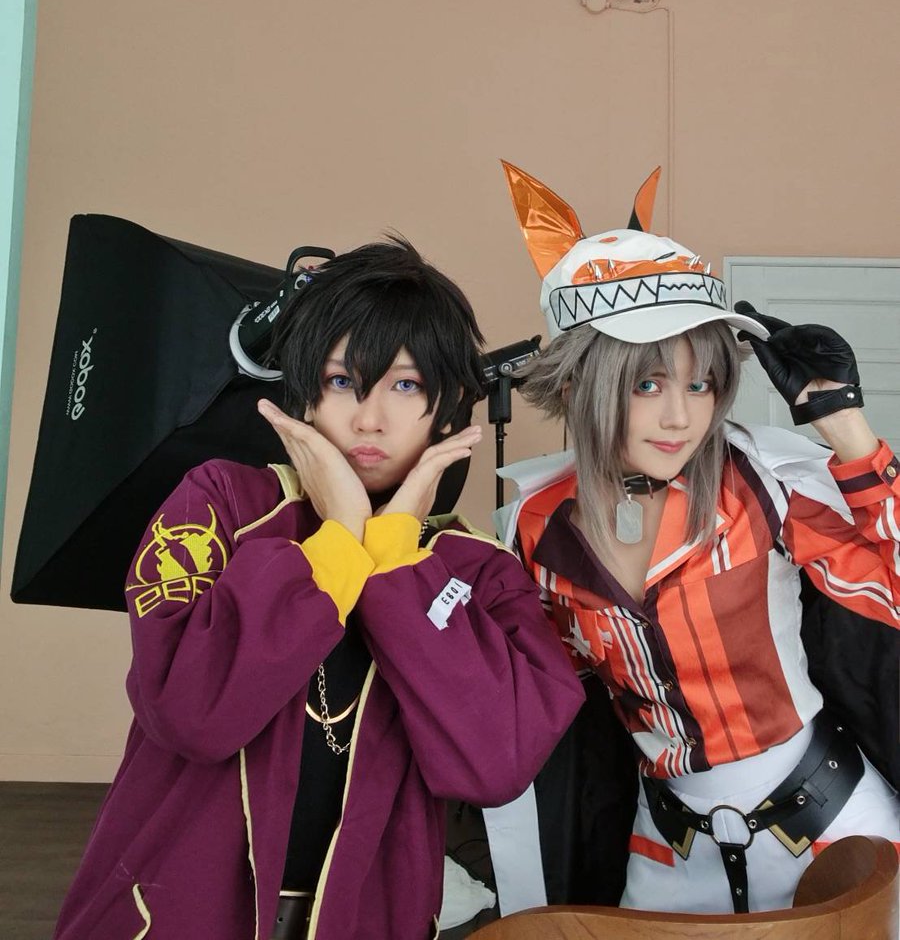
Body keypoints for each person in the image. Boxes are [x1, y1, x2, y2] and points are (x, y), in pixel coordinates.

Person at [53, 238, 584, 940]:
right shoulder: (219, 505)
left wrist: (393, 556)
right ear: (303, 392)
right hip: (172, 916)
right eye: (341, 381)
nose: (369, 419)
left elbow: (496, 764)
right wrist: (336, 541)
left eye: (405, 386)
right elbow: (190, 713)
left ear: (449, 406)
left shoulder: (477, 568)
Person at [498, 162, 899, 915]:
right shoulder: (535, 524)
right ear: (581, 385)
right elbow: (547, 697)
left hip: (835, 829)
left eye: (700, 382)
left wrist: (847, 427)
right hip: (668, 851)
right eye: (647, 384)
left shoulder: (761, 483)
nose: (681, 417)